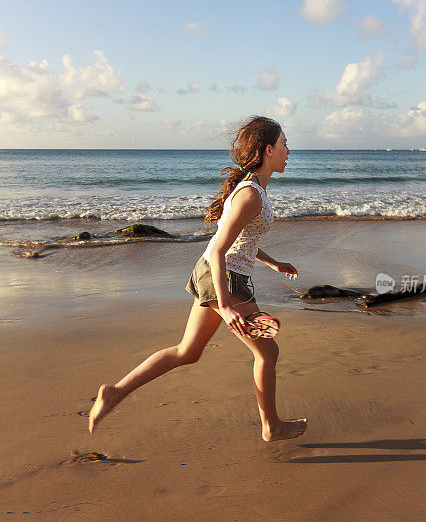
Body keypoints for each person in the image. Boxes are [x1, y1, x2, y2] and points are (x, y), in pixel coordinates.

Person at [88, 115, 308, 442]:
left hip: (222, 274)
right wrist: (226, 305)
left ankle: (115, 392)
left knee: (187, 351)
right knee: (268, 353)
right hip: (224, 278)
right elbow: (220, 250)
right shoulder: (251, 194)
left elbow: (239, 240)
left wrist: (273, 263)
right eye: (285, 144)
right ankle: (271, 426)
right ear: (267, 150)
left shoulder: (256, 189)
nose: (289, 151)